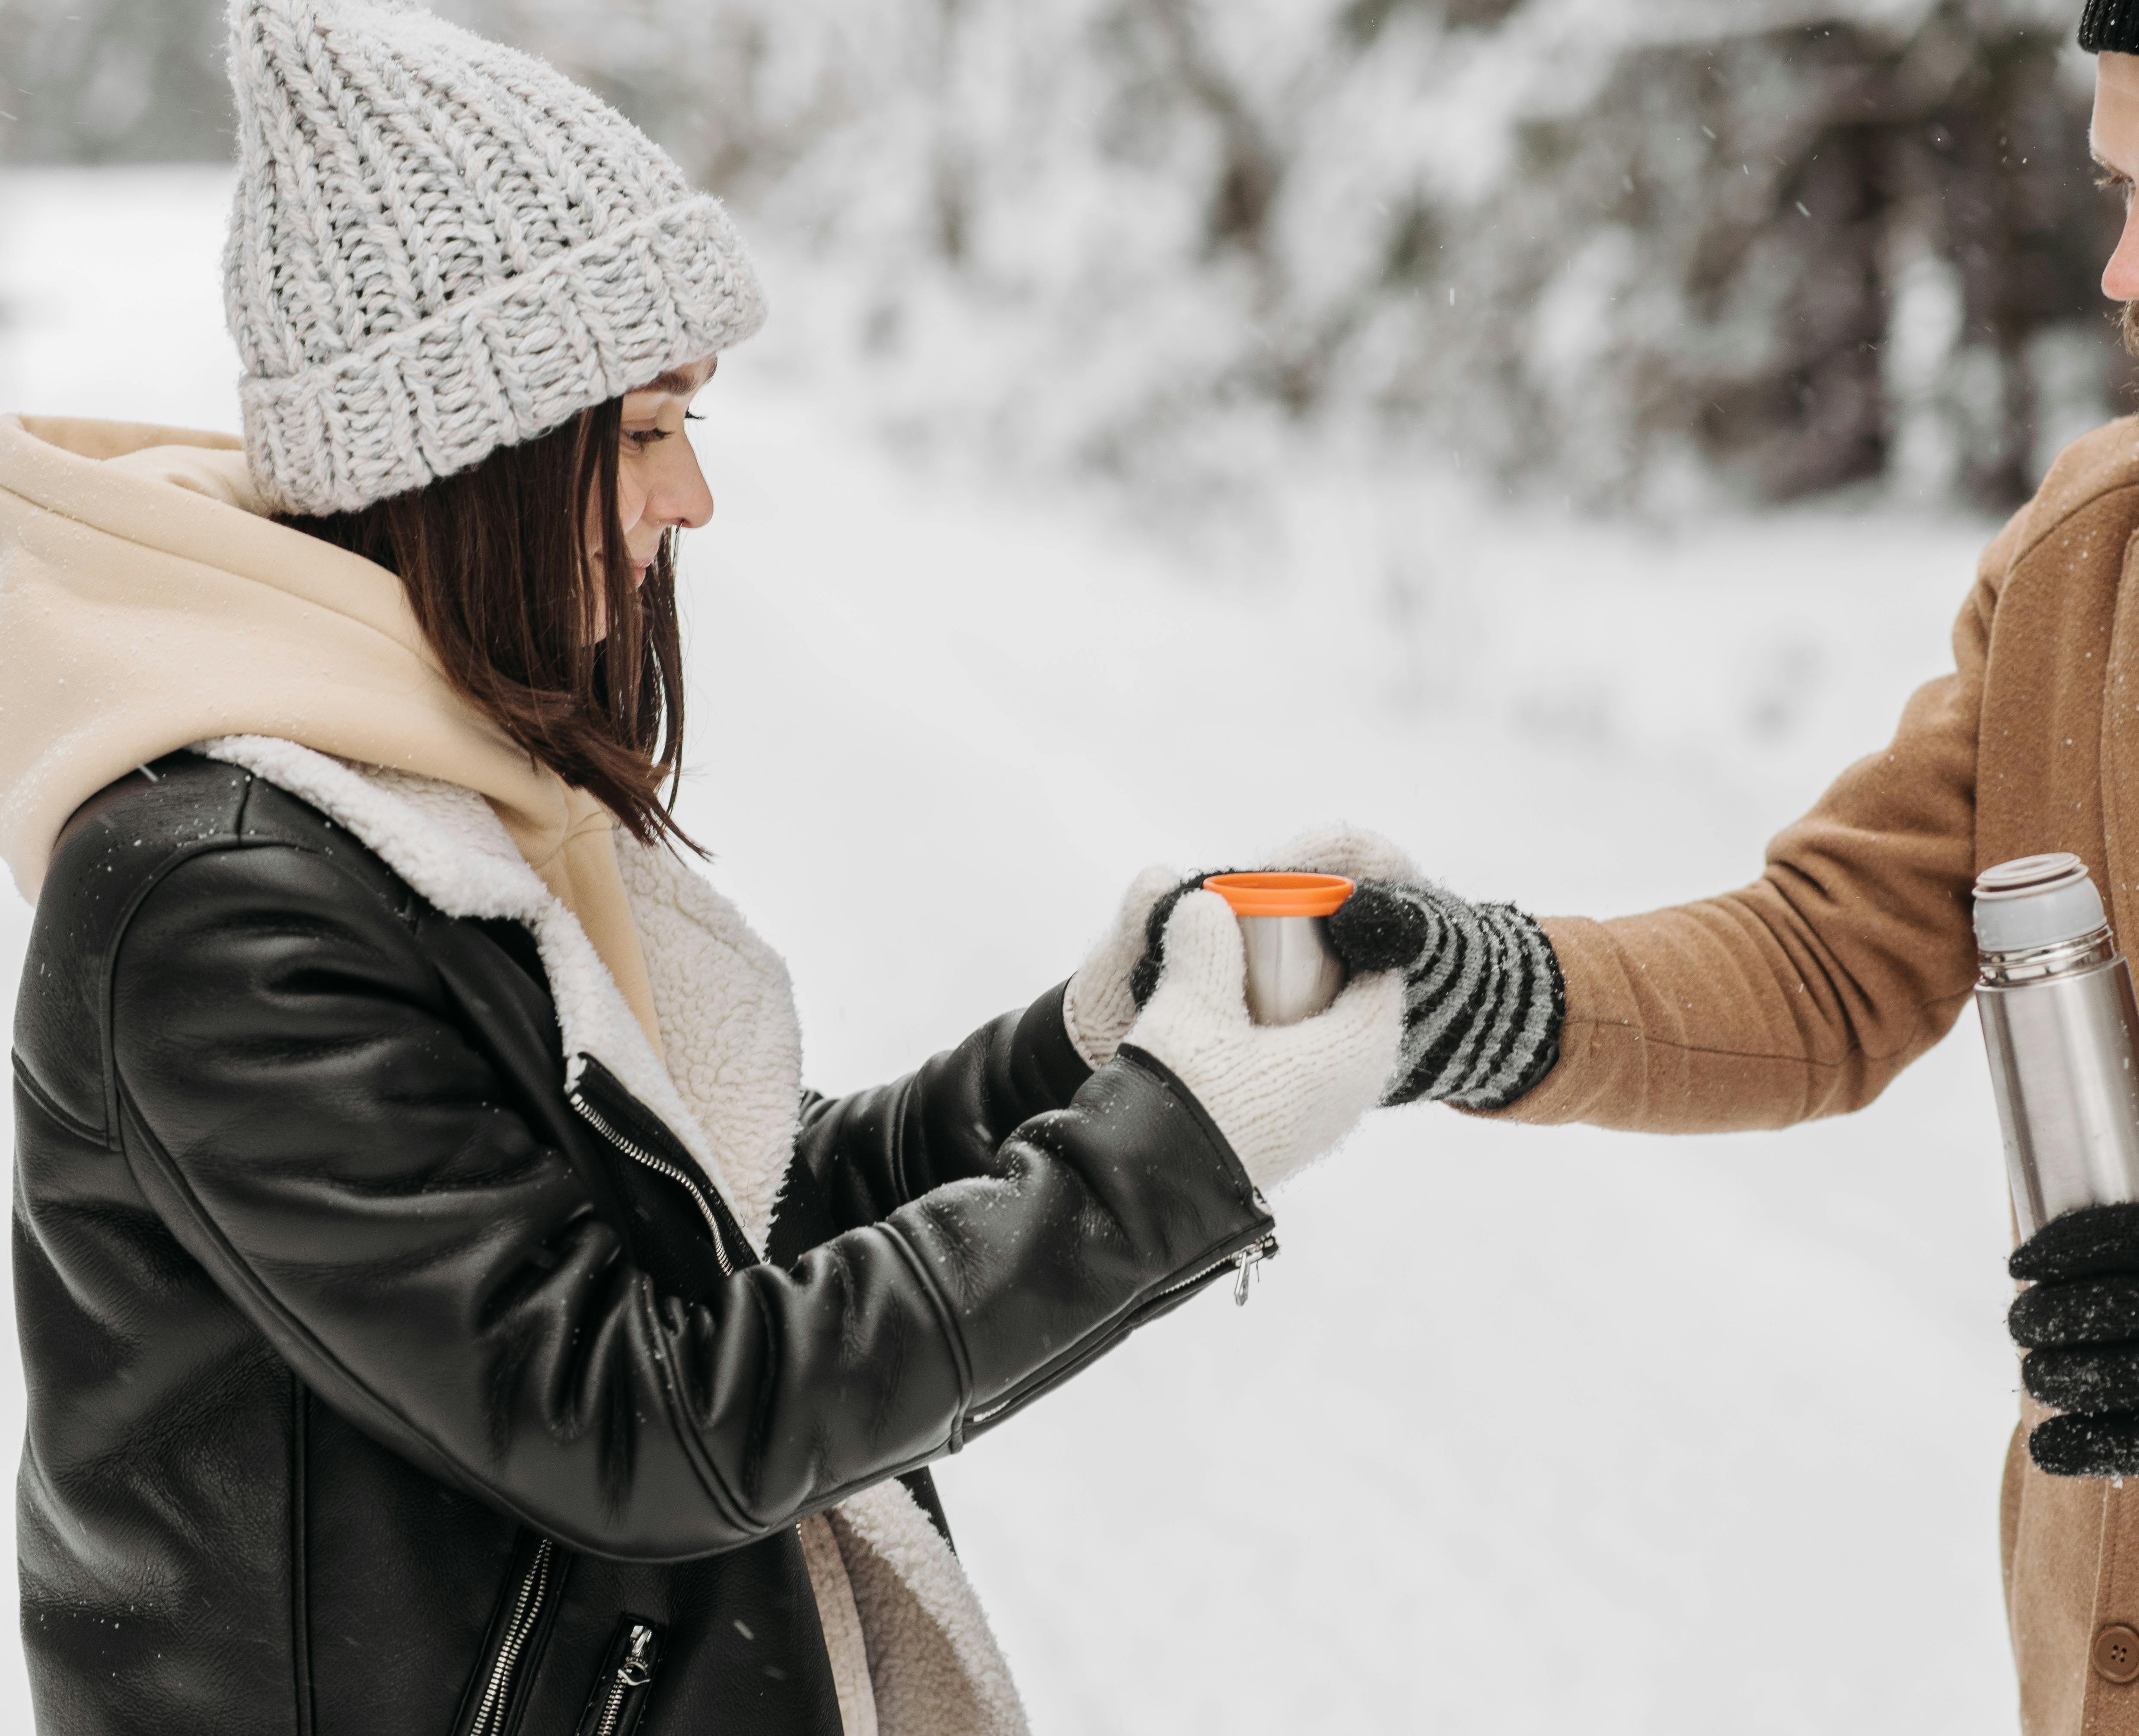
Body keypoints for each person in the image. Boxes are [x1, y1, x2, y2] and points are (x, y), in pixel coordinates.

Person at [1129, 0, 2139, 1729]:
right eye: (2121, 184)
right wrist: (1494, 994)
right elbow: (1833, 961)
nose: (2131, 265)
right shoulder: (2098, 554)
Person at [0, 2, 1405, 1732]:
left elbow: (715, 1222)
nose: (694, 500)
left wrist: (1104, 1044)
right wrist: (1173, 1149)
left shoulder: (407, 792)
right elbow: (640, 1416)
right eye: (652, 425)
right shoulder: (226, 898)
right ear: (484, 449)